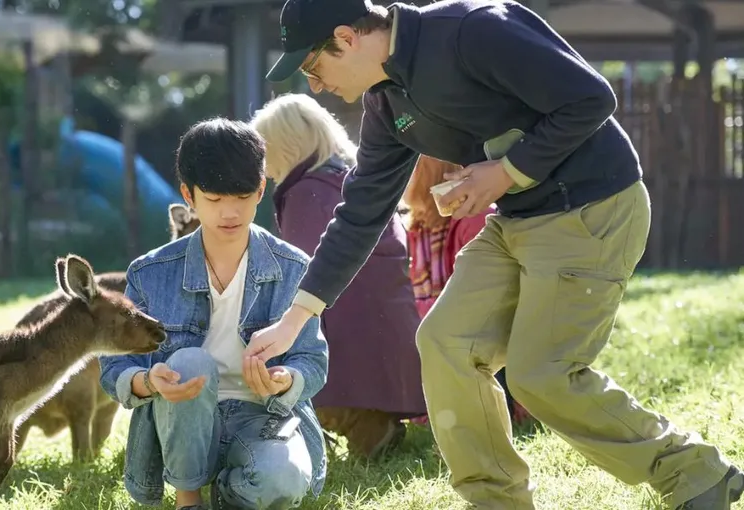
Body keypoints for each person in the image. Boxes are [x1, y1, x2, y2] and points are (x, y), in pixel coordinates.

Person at [245, 0, 744, 508]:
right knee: (446, 342)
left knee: (542, 374)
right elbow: (359, 214)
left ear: (347, 38)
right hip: (516, 221)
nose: (315, 86)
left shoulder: (473, 29)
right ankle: (496, 501)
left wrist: (506, 172)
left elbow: (591, 98)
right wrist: (295, 319)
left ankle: (696, 473)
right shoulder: (385, 102)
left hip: (592, 205)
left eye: (313, 67)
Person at [99, 118, 329, 510]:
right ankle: (188, 499)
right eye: (214, 199)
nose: (230, 212)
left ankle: (229, 491)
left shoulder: (293, 267)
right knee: (189, 362)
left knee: (283, 483)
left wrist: (286, 379)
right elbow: (114, 367)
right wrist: (149, 381)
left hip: (262, 417)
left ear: (261, 190)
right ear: (188, 195)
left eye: (241, 196)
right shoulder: (150, 272)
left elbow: (313, 361)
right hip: (183, 422)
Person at [249, 93, 427, 459]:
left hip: (348, 335)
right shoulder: (351, 181)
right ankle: (373, 422)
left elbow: (297, 272)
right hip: (389, 333)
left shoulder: (306, 192)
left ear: (284, 146)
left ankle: (363, 425)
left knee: (275, 367)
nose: (263, 166)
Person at [402, 154, 534, 427]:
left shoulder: (474, 218)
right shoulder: (419, 225)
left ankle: (496, 413)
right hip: (449, 333)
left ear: (429, 174)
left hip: (489, 333)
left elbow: (486, 299)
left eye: (408, 169)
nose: (400, 178)